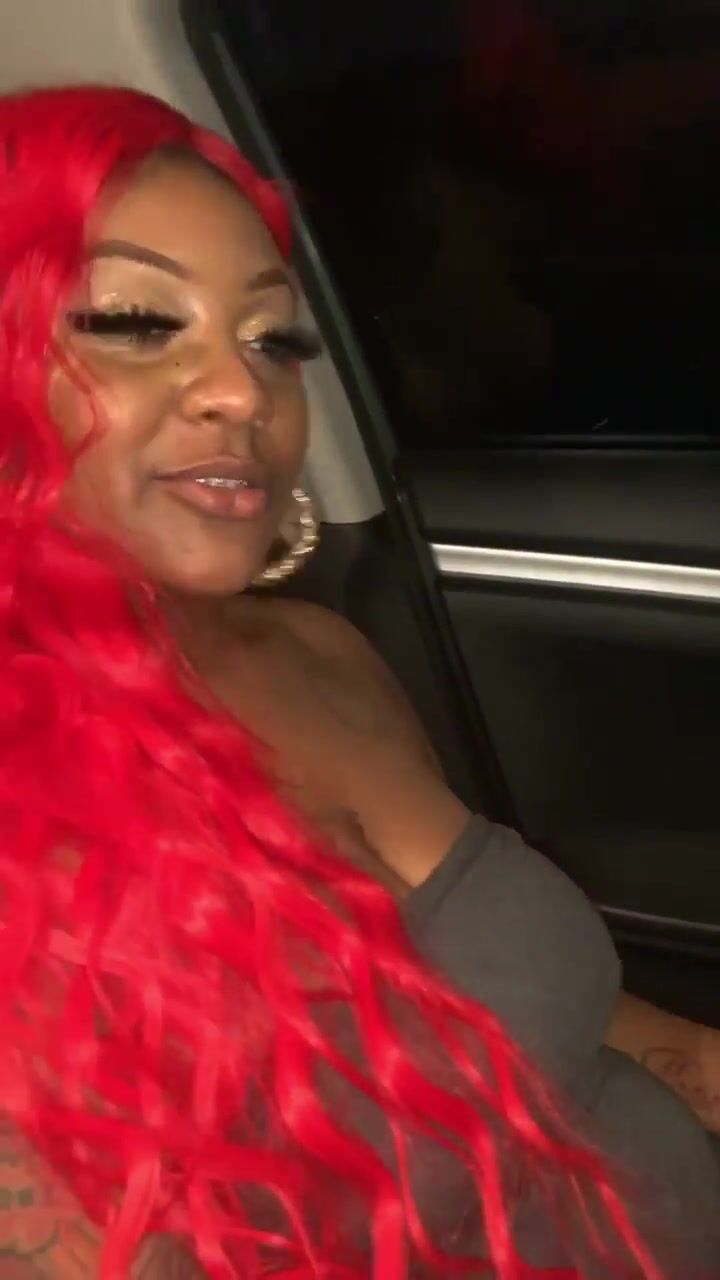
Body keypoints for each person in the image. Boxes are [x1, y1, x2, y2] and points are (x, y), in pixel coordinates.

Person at [0, 84, 717, 1280]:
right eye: (135, 320)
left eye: (273, 339)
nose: (245, 392)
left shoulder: (321, 654)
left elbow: (534, 1009)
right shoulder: (27, 842)